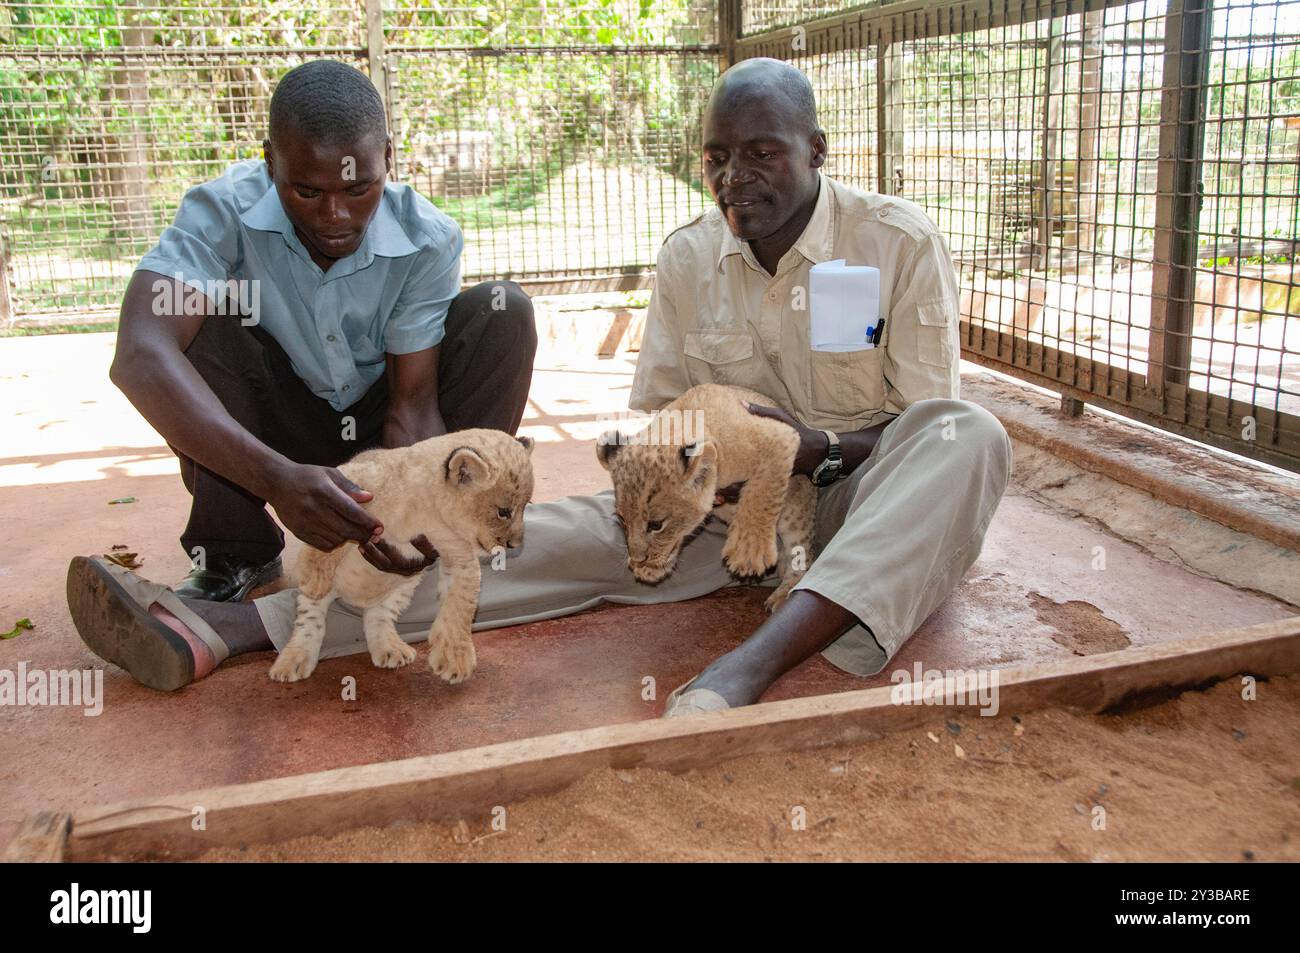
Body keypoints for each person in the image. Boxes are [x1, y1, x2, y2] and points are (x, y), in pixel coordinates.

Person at [68, 58, 1011, 714]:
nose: (735, 174)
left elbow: (927, 422)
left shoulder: (896, 245)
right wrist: (679, 483)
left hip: (868, 502)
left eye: (763, 151)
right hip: (723, 520)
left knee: (973, 438)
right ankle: (235, 619)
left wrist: (821, 452)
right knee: (544, 542)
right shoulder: (689, 259)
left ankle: (747, 665)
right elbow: (664, 424)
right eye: (718, 154)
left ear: (817, 148)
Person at [65, 60, 536, 690]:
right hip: (276, 437)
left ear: (388, 160)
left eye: (358, 188)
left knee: (502, 313)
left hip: (376, 428)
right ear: (269, 163)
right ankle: (236, 556)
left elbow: (412, 406)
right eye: (305, 191)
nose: (334, 215)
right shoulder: (222, 209)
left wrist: (411, 511)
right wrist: (279, 480)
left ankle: (450, 529)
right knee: (200, 324)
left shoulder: (427, 238)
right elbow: (140, 355)